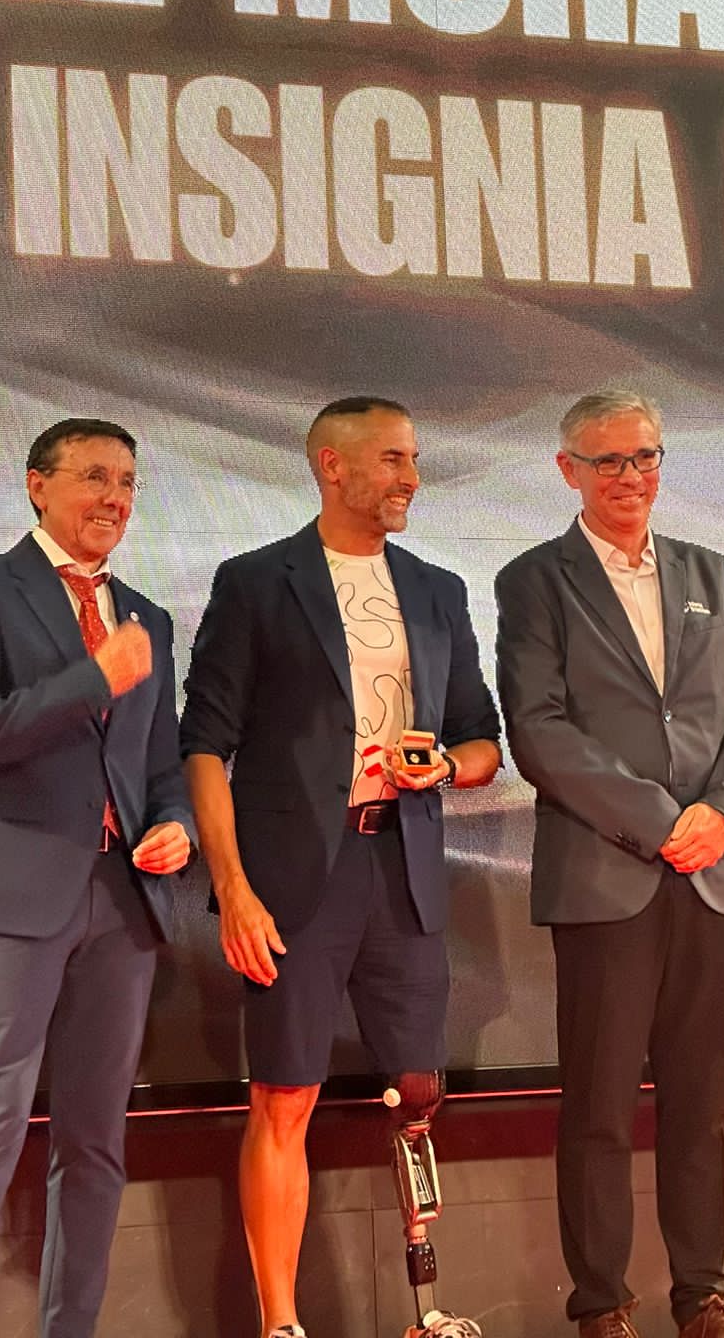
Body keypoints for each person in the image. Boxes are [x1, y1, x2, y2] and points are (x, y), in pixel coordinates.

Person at [180, 395, 502, 1338]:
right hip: (290, 884)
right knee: (286, 1092)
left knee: (418, 1092)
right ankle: (281, 1324)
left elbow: (482, 741)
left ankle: (426, 1307)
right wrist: (232, 889)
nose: (411, 478)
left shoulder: (439, 589)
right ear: (332, 464)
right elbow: (205, 744)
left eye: (415, 459)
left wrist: (443, 765)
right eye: (394, 459)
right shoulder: (256, 582)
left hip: (402, 871)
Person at [495, 390, 724, 1338]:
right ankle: (601, 1305)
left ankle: (703, 1294)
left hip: (713, 875)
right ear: (568, 469)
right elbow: (536, 730)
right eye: (610, 461)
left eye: (646, 458)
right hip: (607, 875)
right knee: (601, 1109)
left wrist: (721, 817)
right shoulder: (536, 580)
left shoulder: (711, 572)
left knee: (703, 1106)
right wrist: (660, 822)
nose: (631, 478)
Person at [0, 417, 193, 1338]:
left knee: (96, 1143)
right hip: (12, 898)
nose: (114, 498)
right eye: (93, 478)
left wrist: (176, 826)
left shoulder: (145, 615)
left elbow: (164, 760)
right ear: (37, 485)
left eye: (127, 482)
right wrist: (92, 678)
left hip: (122, 905)